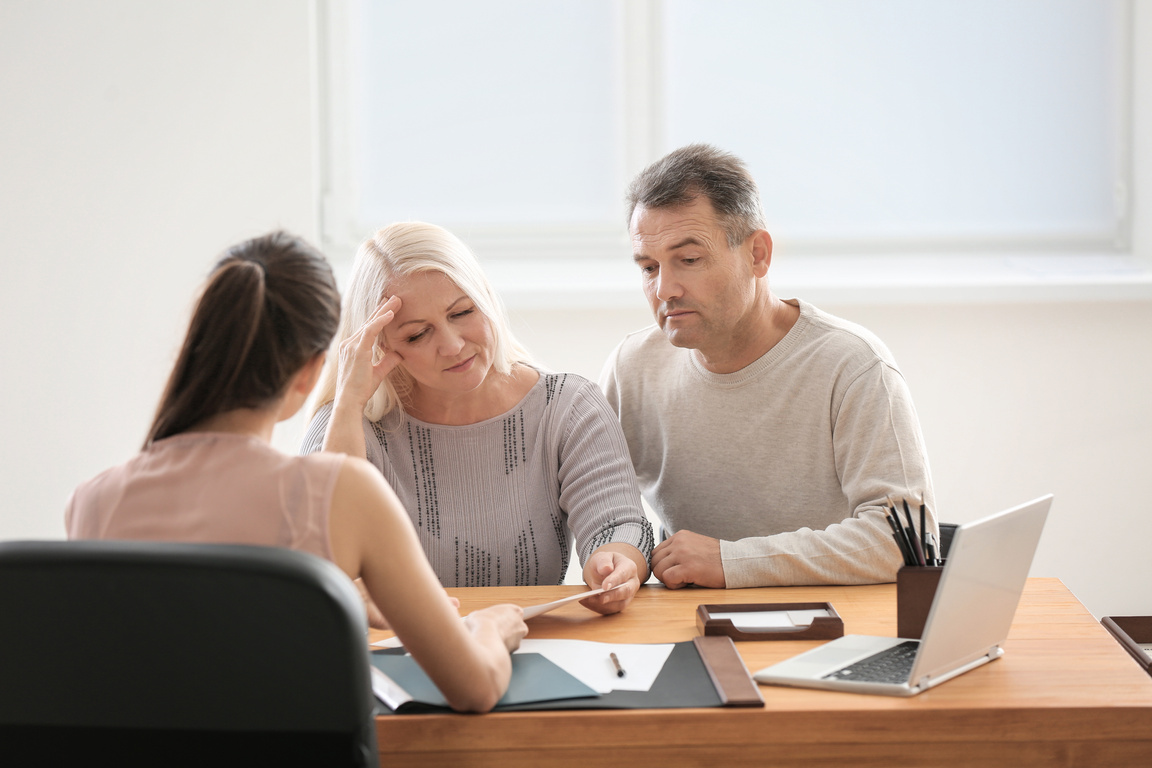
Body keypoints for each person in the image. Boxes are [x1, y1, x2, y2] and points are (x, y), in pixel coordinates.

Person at [66, 232, 526, 713]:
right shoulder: (340, 491)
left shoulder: (93, 502)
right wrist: (488, 629)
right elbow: (475, 688)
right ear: (308, 373)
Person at [600, 144, 936, 589]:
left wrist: (731, 562)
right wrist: (619, 559)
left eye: (690, 260)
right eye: (648, 267)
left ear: (758, 254)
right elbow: (598, 505)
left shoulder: (853, 364)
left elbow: (903, 543)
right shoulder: (633, 367)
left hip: (827, 629)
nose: (665, 289)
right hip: (691, 626)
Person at [301, 222, 653, 616]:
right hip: (405, 656)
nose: (451, 346)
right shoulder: (349, 424)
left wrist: (616, 562)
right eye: (417, 335)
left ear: (486, 297)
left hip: (535, 647)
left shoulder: (568, 407)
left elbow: (619, 524)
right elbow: (324, 565)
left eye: (462, 312)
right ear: (380, 344)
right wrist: (348, 400)